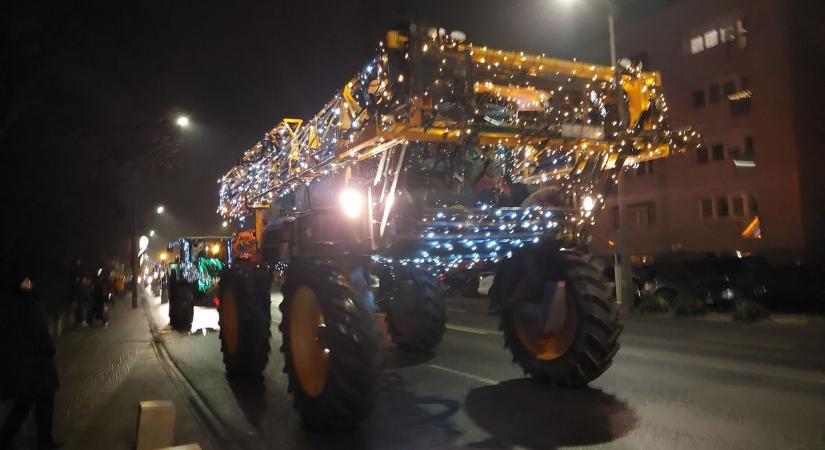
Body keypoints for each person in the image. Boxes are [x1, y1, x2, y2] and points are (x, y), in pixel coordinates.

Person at [0, 269, 62, 449]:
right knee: (43, 405)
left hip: (22, 367)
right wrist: (50, 349)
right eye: (27, 281)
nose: (30, 283)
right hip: (38, 365)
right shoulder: (29, 304)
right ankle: (44, 441)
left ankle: (5, 438)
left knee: (23, 405)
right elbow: (40, 333)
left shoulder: (8, 304)